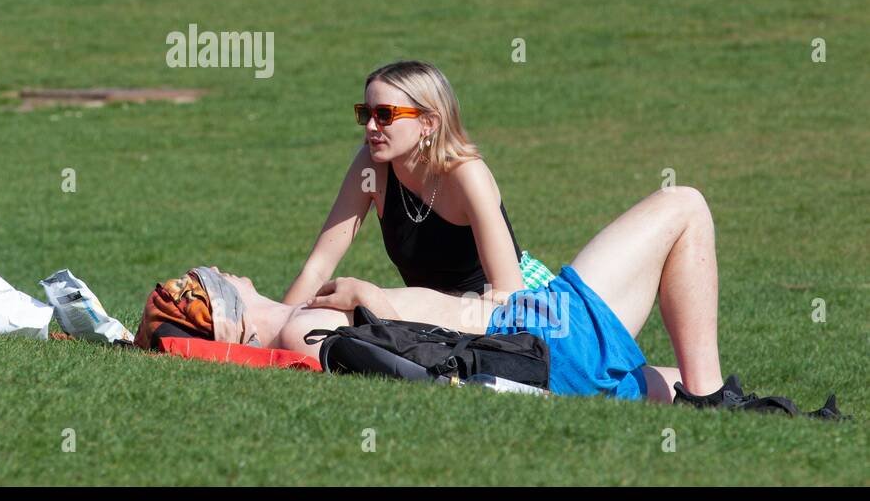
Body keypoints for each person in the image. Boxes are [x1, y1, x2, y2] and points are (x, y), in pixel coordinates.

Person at [134, 185, 842, 414]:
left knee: (666, 385)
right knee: (682, 204)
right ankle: (714, 400)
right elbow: (417, 365)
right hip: (536, 336)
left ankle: (713, 402)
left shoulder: (299, 320)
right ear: (222, 305)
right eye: (203, 274)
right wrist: (372, 296)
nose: (219, 263)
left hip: (524, 343)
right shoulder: (309, 331)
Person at [284, 61, 538, 309]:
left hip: (503, 312)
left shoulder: (467, 174)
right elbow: (318, 269)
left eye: (384, 115)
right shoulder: (370, 167)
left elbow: (508, 294)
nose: (371, 127)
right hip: (432, 316)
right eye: (366, 114)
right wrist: (278, 326)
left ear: (428, 122)